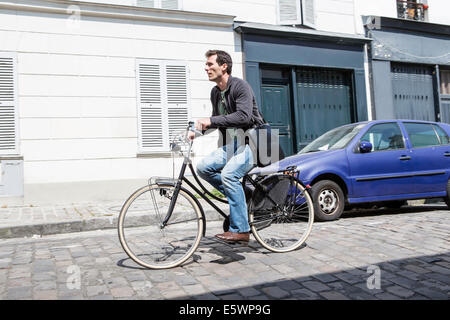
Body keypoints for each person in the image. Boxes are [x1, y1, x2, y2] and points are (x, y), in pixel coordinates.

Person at [189, 49, 265, 243]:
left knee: (229, 174)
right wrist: (195, 133)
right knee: (203, 168)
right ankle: (240, 196)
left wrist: (210, 119)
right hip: (232, 144)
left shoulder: (240, 86)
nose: (206, 68)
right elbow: (217, 122)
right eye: (206, 65)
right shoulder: (215, 92)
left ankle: (241, 230)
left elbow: (243, 116)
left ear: (224, 66)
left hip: (254, 142)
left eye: (210, 64)